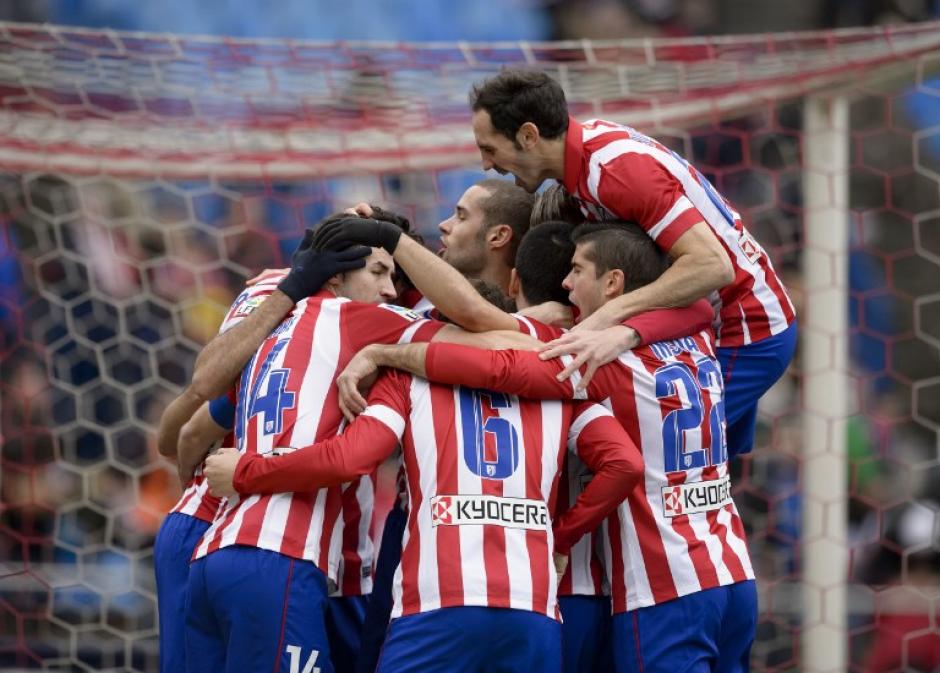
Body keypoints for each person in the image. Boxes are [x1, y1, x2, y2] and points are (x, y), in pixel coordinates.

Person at [339, 222, 757, 673]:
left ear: (613, 282)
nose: (567, 283)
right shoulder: (699, 337)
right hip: (732, 569)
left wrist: (385, 353)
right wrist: (629, 329)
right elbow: (702, 309)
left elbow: (491, 353)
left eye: (578, 270)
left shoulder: (589, 356)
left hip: (647, 585)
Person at [201, 316, 645, 673]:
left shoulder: (406, 379)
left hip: (434, 607)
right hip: (532, 610)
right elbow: (624, 464)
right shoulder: (561, 389)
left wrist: (247, 471)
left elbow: (350, 458)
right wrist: (560, 538)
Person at [468, 68, 798, 459]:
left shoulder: (616, 172)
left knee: (658, 462)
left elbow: (713, 266)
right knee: (691, 470)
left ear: (528, 136)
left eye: (490, 149)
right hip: (705, 323)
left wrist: (612, 319)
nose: (486, 164)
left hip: (744, 330)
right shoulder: (587, 162)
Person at [152, 237, 367, 673]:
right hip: (238, 529)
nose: (387, 287)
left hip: (249, 533)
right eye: (378, 271)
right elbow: (188, 427)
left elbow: (185, 432)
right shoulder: (293, 309)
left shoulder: (292, 300)